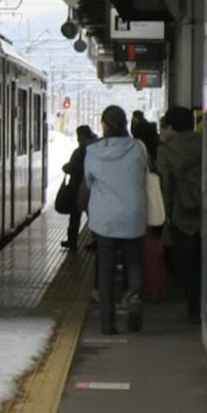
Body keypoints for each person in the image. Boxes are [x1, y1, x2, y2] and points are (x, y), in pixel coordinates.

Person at [85, 105, 149, 334]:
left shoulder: (93, 152)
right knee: (134, 262)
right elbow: (145, 175)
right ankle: (133, 299)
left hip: (104, 218)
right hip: (133, 214)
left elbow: (89, 182)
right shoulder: (138, 147)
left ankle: (107, 323)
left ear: (103, 125)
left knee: (106, 268)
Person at [156, 105, 204, 322]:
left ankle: (193, 307)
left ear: (171, 126)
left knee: (186, 263)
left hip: (181, 214)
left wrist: (165, 216)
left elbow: (166, 185)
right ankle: (206, 303)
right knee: (205, 260)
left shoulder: (166, 150)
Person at [60, 125, 97, 249]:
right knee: (92, 214)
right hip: (93, 186)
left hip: (78, 186)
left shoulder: (80, 150)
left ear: (82, 136)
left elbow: (73, 168)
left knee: (75, 214)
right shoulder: (97, 148)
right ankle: (96, 240)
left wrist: (65, 167)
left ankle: (72, 240)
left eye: (78, 136)